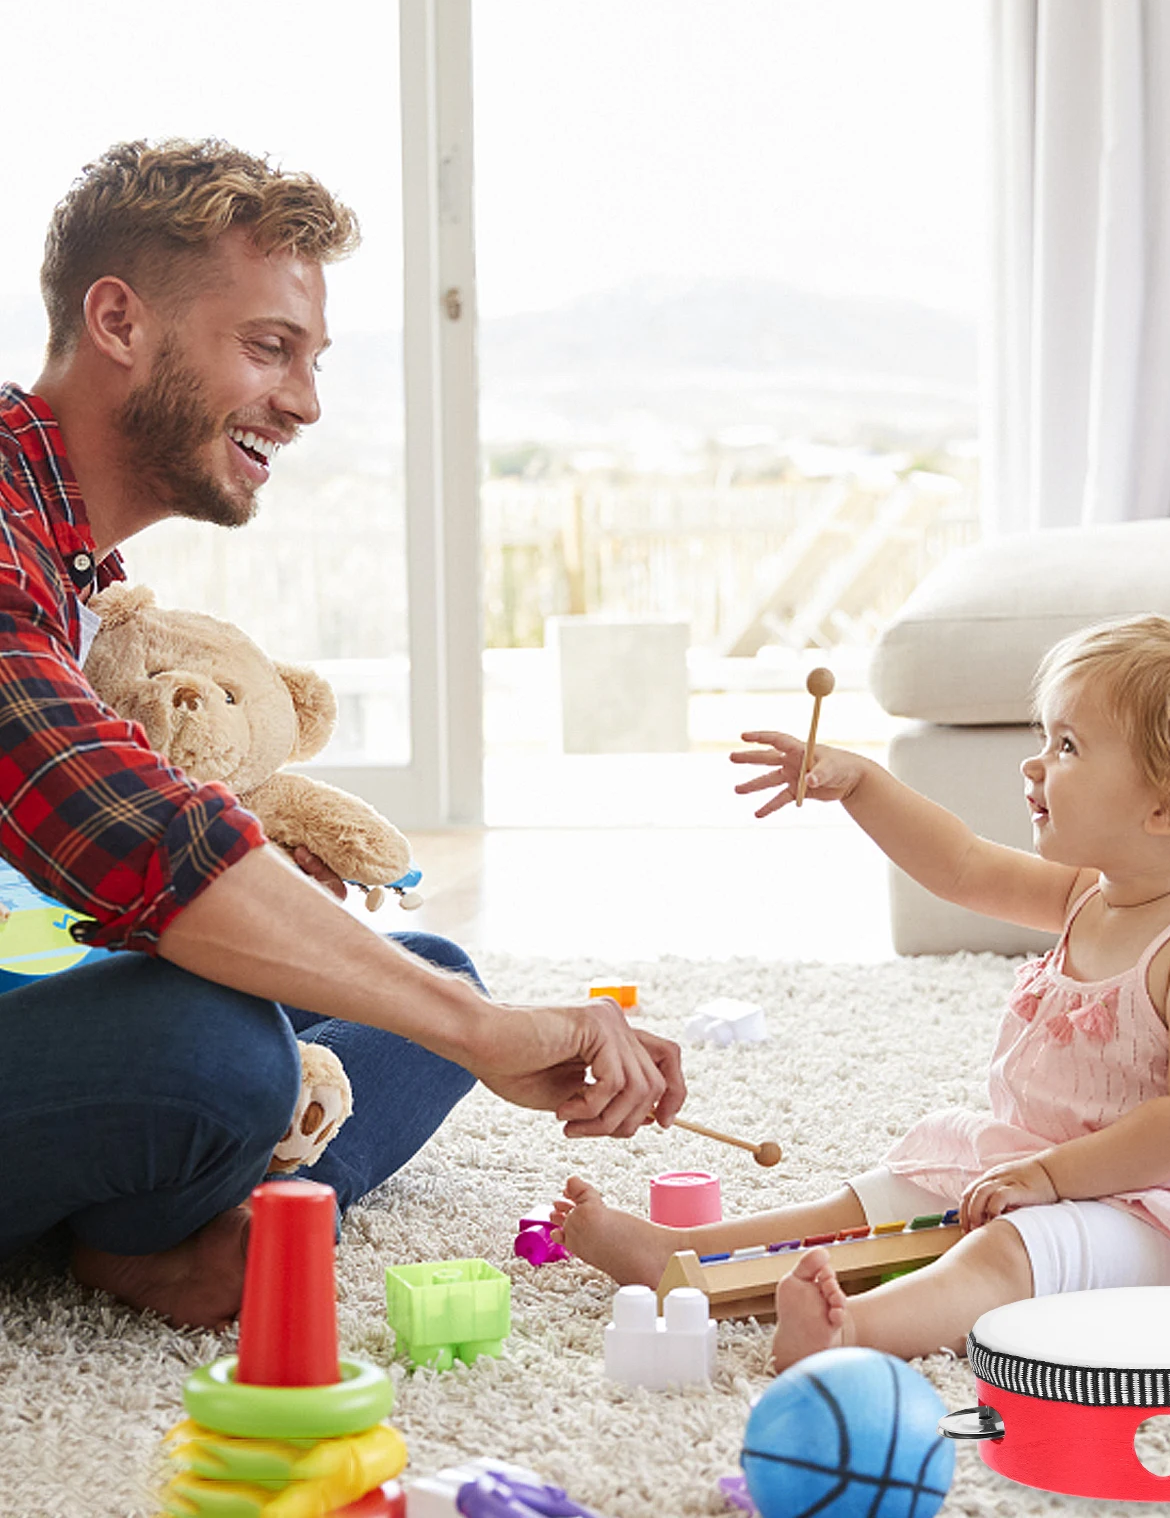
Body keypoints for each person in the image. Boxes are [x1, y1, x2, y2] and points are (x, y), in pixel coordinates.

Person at [0, 139, 684, 1329]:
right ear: (119, 321)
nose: (306, 402)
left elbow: (94, 858)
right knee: (217, 1050)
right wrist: (485, 1036)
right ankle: (171, 1215)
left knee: (417, 976)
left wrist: (345, 957)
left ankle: (186, 1221)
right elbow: (132, 838)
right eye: (269, 348)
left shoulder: (65, 556)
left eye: (311, 359)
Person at [553, 615, 1170, 1371]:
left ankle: (852, 1332)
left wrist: (1051, 1181)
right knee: (894, 1186)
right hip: (1051, 1166)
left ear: (1169, 805)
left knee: (1006, 1253)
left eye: (1068, 747)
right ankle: (682, 1256)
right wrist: (860, 784)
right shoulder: (1091, 892)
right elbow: (962, 865)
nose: (1034, 763)